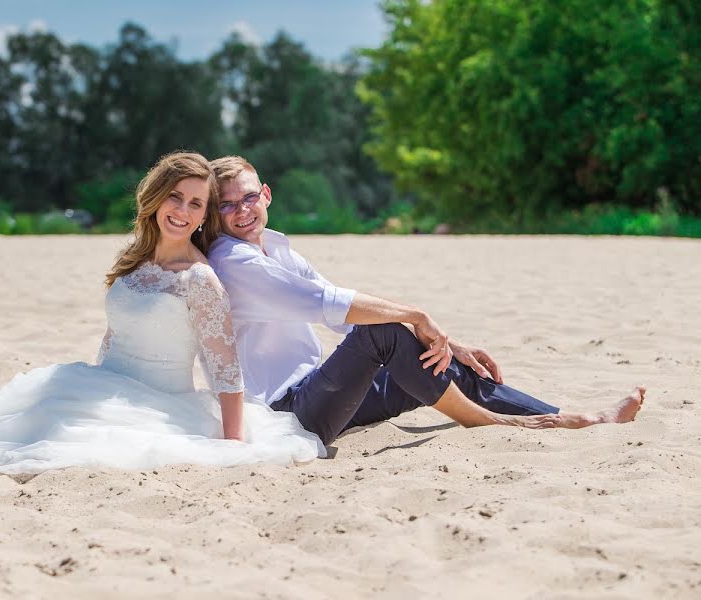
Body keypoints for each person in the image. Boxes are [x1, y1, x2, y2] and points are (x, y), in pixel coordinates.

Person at [0, 152, 325, 475]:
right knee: (22, 427)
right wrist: (91, 385)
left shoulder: (201, 279)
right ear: (155, 197)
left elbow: (225, 368)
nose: (182, 210)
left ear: (204, 216)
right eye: (175, 196)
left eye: (196, 203)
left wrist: (234, 443)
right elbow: (116, 332)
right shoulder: (136, 258)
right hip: (102, 383)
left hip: (157, 403)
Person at [206, 156, 645, 447]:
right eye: (226, 206)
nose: (242, 210)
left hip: (322, 391)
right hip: (287, 412)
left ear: (266, 194)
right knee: (385, 332)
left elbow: (340, 321)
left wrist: (450, 344)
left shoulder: (279, 249)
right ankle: (487, 422)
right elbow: (330, 303)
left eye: (248, 197)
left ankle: (572, 418)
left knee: (436, 361)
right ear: (214, 215)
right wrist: (418, 316)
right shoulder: (233, 261)